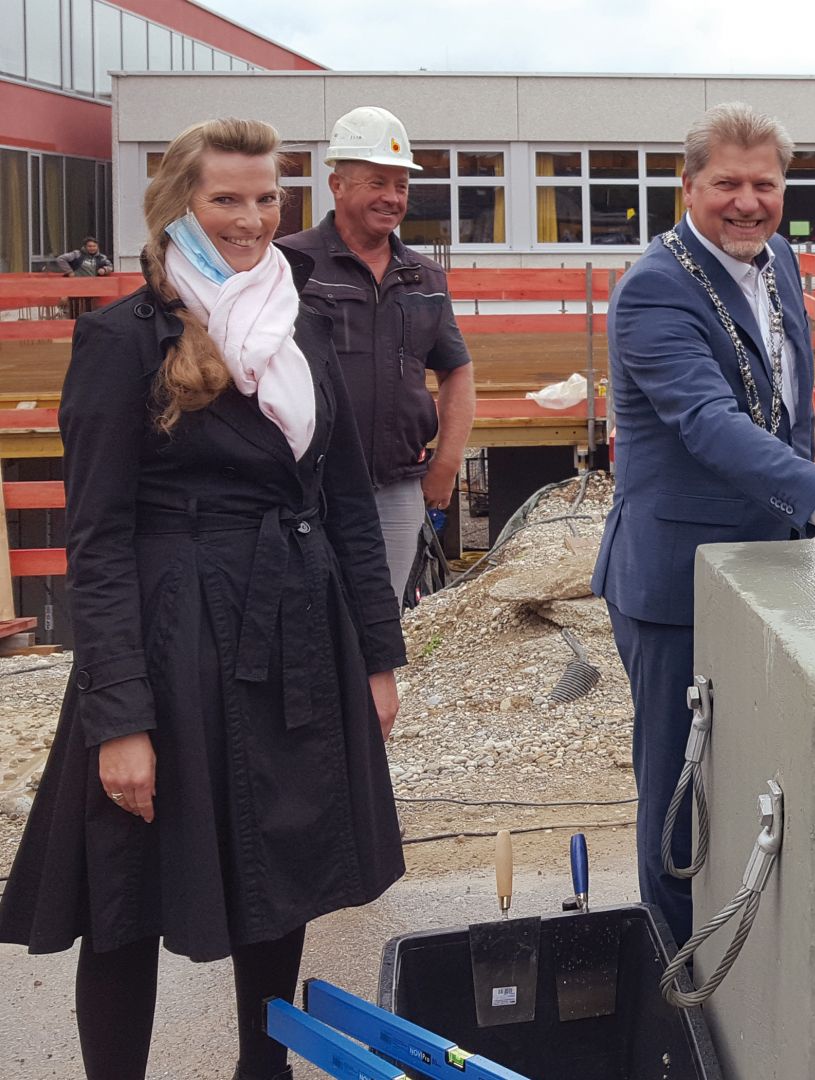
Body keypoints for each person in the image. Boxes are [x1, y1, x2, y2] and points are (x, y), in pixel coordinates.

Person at [0, 117, 407, 1080]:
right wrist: (119, 719)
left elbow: (344, 498)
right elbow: (96, 542)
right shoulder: (118, 338)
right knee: (126, 893)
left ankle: (260, 1072)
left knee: (287, 865)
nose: (252, 219)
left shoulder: (301, 318)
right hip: (170, 639)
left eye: (268, 198)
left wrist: (381, 655)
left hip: (296, 633)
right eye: (227, 199)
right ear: (179, 205)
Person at [592, 102, 815, 944]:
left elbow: (778, 399)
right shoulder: (653, 290)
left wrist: (805, 500)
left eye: (764, 184)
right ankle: (678, 977)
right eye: (726, 185)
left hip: (768, 560)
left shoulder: (777, 257)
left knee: (756, 765)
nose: (747, 202)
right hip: (675, 581)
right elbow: (707, 423)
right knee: (678, 785)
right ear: (686, 186)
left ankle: (745, 952)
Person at [281, 106, 476, 609]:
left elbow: (456, 369)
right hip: (306, 486)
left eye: (402, 186)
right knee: (305, 616)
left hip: (395, 487)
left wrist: (447, 464)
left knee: (381, 619)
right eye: (377, 182)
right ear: (337, 184)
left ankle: (371, 693)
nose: (392, 198)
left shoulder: (425, 278)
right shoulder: (287, 265)